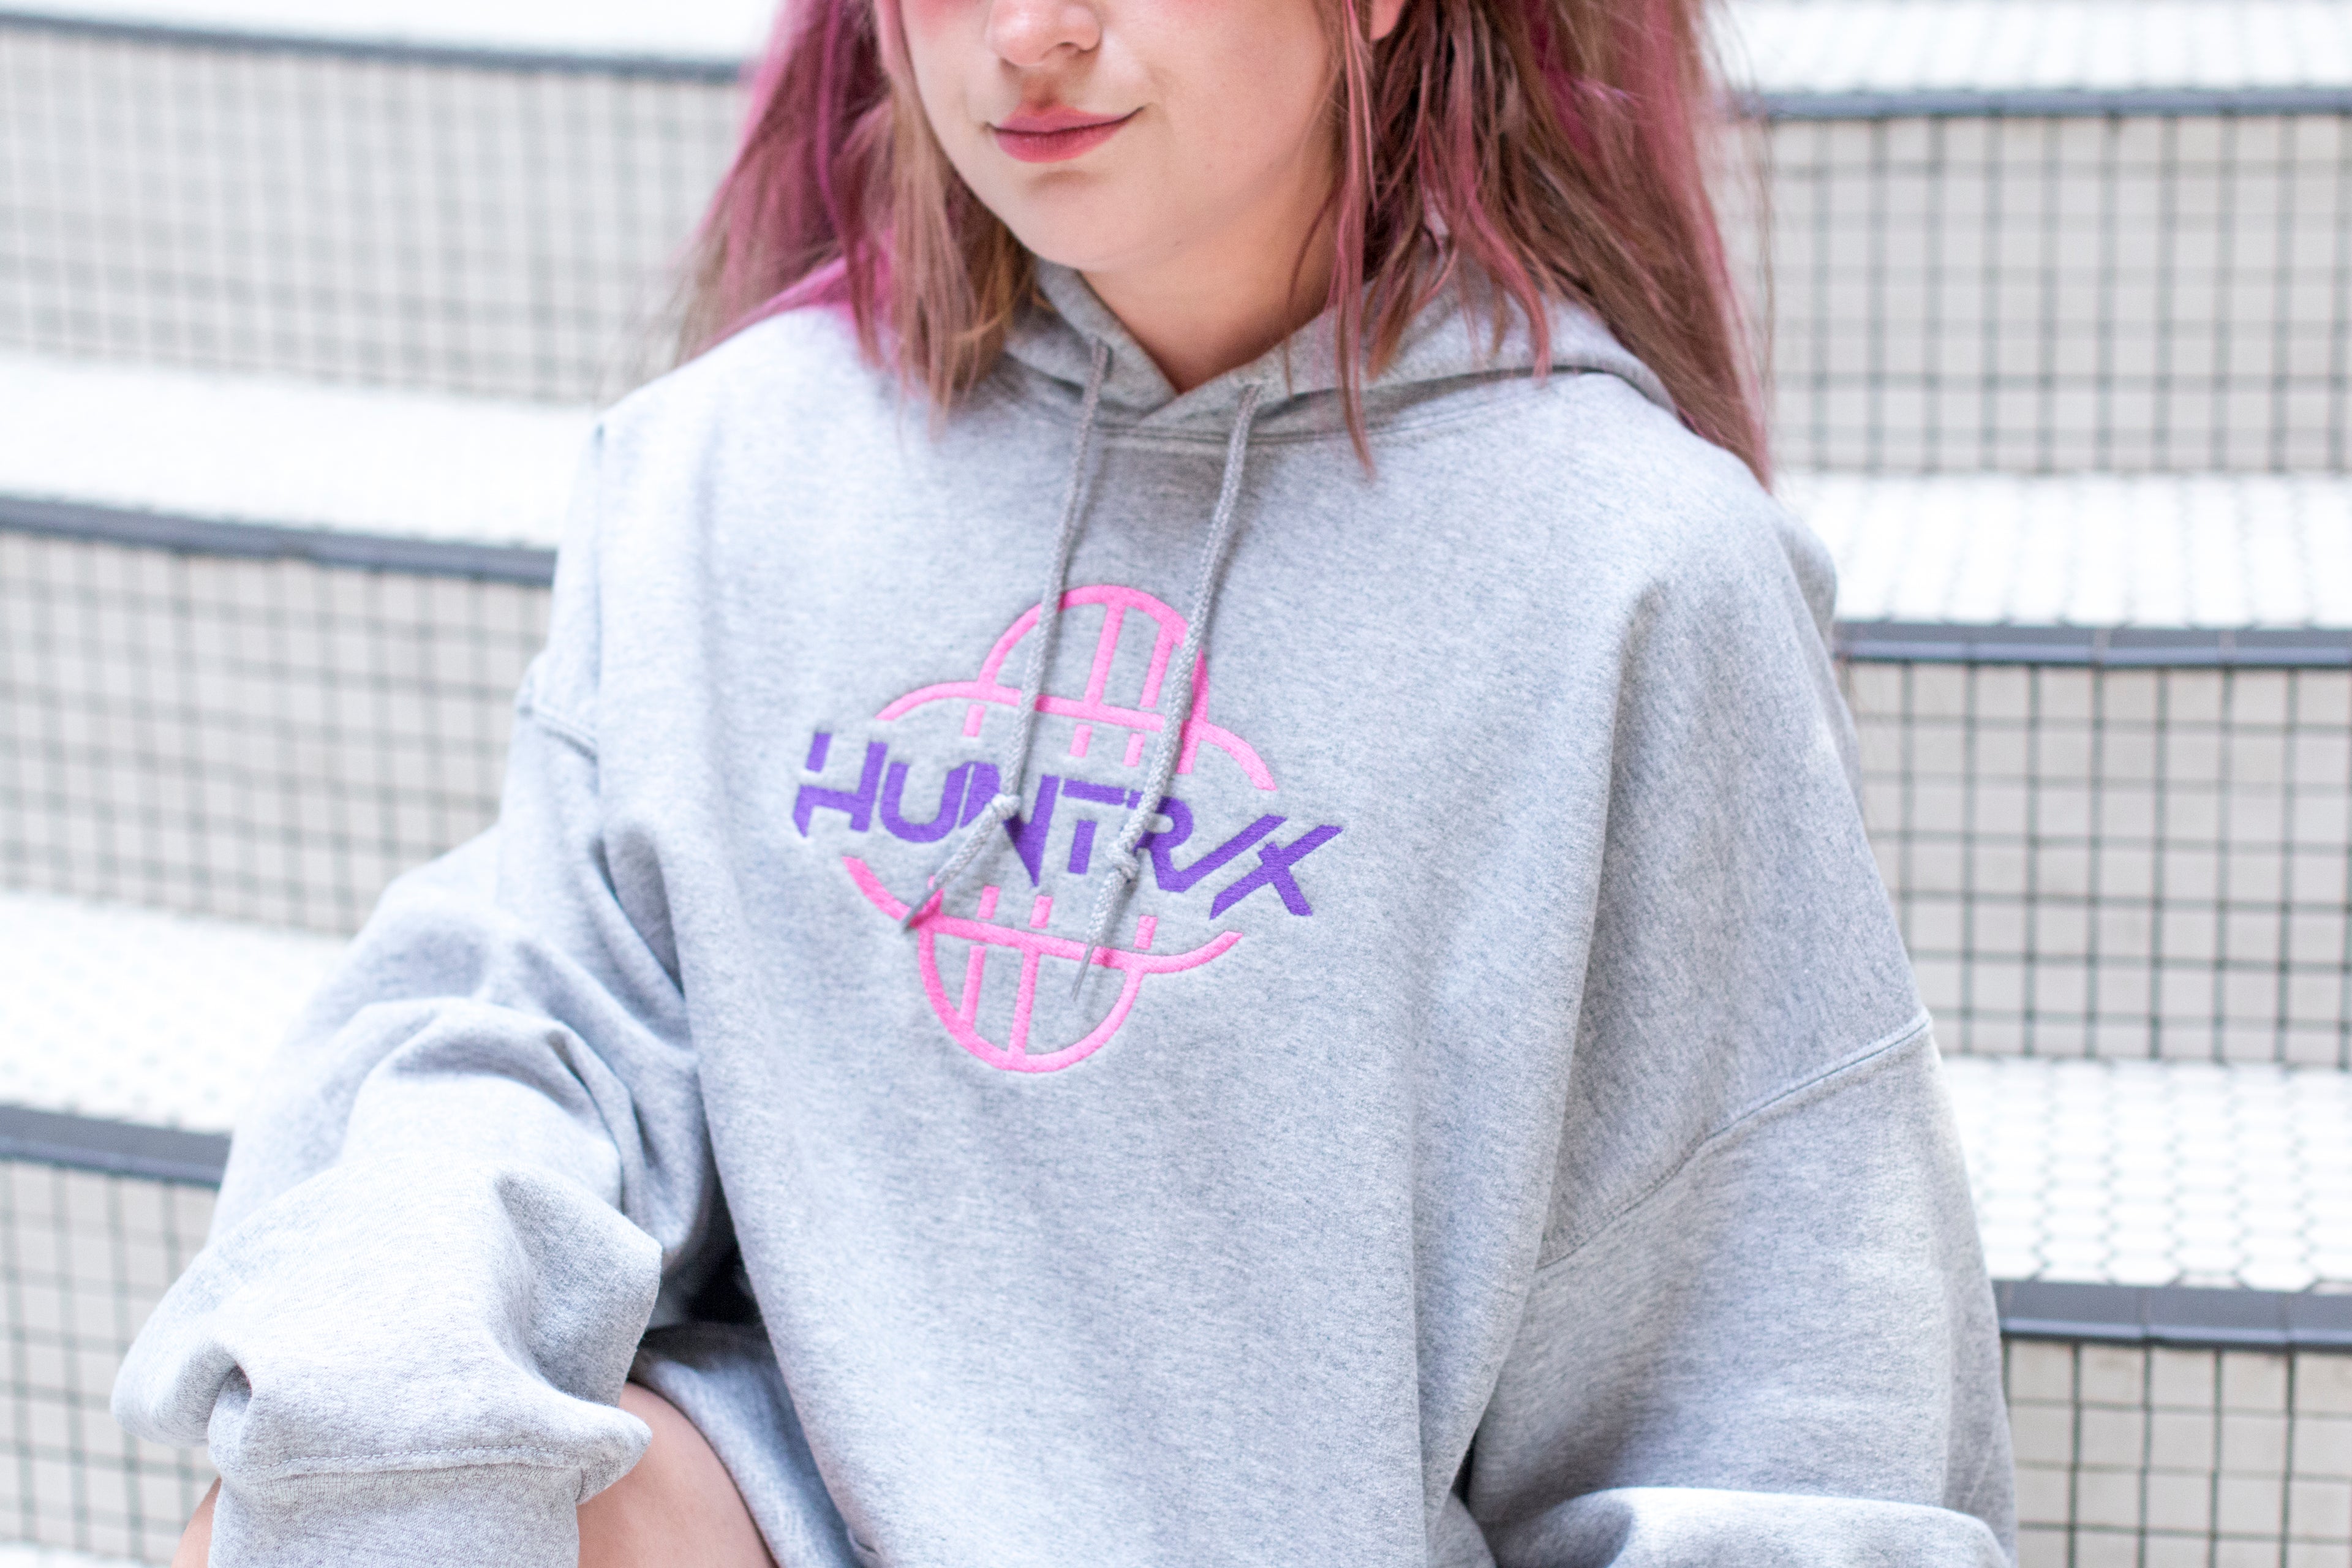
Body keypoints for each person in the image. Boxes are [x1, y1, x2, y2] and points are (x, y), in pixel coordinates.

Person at [121, 0, 2018, 1561]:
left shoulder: (1632, 571)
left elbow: (1771, 1382)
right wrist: (392, 1354)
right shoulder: (723, 467)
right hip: (799, 1503)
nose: (1030, 34)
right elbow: (548, 1021)